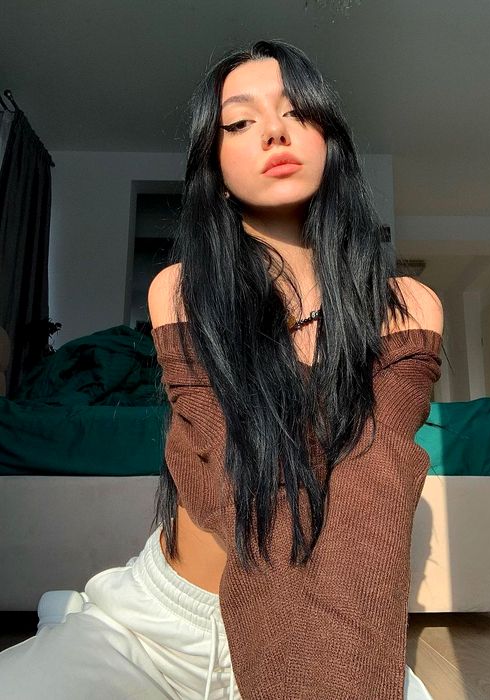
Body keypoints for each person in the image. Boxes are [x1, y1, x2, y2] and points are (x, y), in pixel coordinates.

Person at [0, 39, 443, 699]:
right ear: (214, 164)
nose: (274, 131)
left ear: (330, 139)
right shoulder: (182, 291)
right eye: (239, 122)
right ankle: (75, 618)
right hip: (161, 628)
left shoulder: (406, 308)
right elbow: (228, 475)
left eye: (297, 111)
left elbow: (373, 487)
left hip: (328, 620)